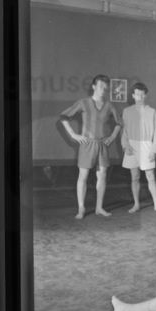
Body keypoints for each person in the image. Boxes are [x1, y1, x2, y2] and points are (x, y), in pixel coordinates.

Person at [58, 75, 119, 220]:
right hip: (87, 144)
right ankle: (81, 208)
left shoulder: (109, 105)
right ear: (93, 87)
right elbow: (64, 117)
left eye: (105, 87)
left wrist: (112, 137)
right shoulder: (84, 102)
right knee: (83, 176)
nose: (103, 89)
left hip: (102, 145)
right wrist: (73, 134)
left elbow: (119, 123)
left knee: (102, 175)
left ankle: (99, 208)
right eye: (100, 86)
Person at [117, 81, 156, 213]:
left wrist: (154, 150)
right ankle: (136, 204)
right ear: (133, 95)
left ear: (146, 95)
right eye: (138, 94)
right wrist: (125, 145)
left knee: (150, 176)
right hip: (132, 146)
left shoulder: (152, 111)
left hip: (146, 145)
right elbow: (123, 131)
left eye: (143, 94)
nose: (140, 97)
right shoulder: (127, 111)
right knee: (134, 177)